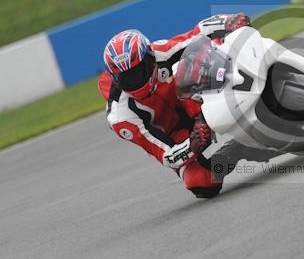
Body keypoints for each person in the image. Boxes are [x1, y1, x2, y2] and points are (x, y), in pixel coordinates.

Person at [98, 13, 280, 198]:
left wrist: (229, 21)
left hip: (194, 98)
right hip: (177, 135)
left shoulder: (160, 52)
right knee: (202, 183)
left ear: (150, 56)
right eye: (127, 78)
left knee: (196, 60)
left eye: (140, 70)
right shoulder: (120, 117)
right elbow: (166, 155)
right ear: (116, 78)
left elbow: (198, 33)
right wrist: (191, 145)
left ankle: (257, 85)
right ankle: (238, 149)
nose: (136, 80)